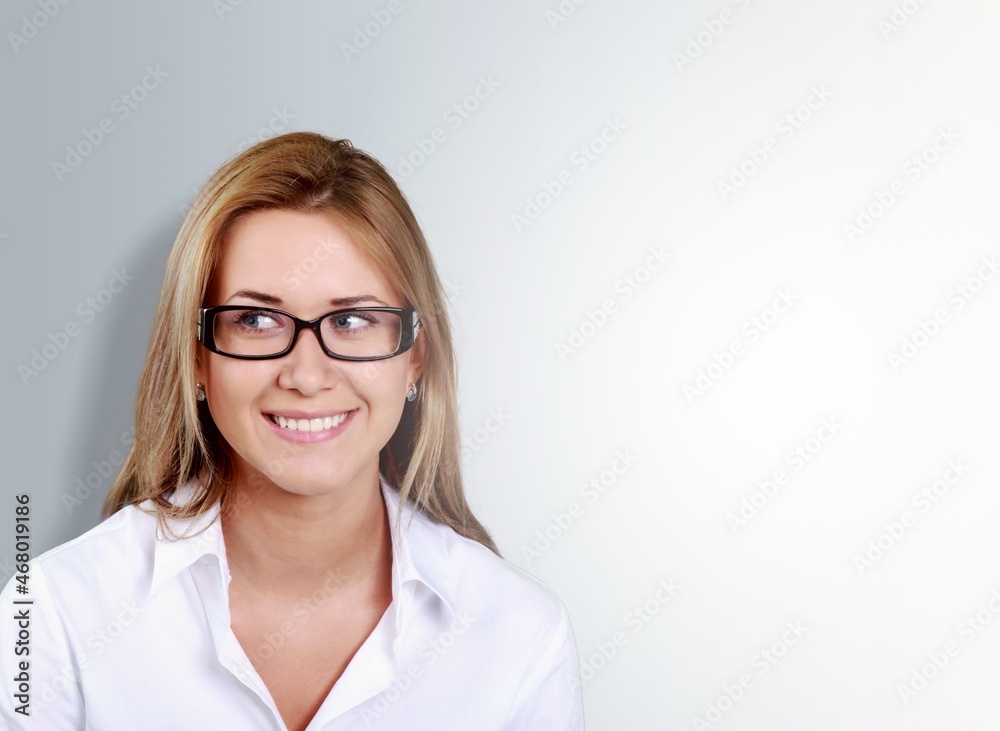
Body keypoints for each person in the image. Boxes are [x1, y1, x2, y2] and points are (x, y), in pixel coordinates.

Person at [0, 132, 585, 730]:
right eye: (255, 320)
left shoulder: (521, 639)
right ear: (197, 359)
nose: (307, 376)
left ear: (414, 358)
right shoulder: (50, 618)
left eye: (354, 320)